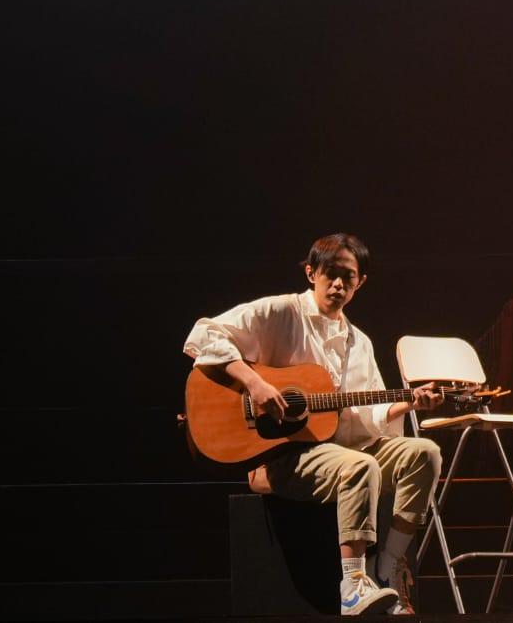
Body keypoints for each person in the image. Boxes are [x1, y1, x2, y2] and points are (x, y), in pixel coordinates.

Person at [184, 234, 444, 616]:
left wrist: (407, 403)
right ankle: (352, 584)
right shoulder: (281, 312)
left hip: (340, 451)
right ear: (311, 273)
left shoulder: (359, 342)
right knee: (360, 466)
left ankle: (387, 566)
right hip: (284, 456)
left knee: (425, 453)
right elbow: (203, 334)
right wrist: (255, 384)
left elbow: (362, 418)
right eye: (330, 274)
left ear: (360, 282)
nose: (338, 284)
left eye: (348, 277)